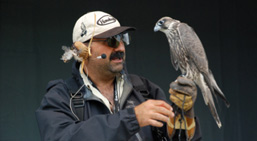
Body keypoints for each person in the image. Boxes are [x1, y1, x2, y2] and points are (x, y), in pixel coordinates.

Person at [35, 11, 201, 141]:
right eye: (111, 41)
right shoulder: (60, 97)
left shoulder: (145, 90)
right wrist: (132, 119)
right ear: (82, 48)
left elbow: (179, 138)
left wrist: (186, 114)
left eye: (123, 38)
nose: (120, 47)